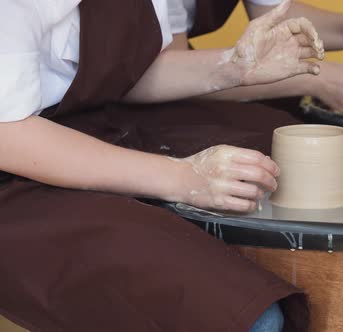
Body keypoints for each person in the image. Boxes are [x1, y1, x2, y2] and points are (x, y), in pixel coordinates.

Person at [0, 0, 324, 330]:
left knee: (279, 150)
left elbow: (128, 74)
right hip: (14, 171)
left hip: (86, 125)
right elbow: (7, 135)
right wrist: (181, 176)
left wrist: (232, 67)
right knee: (246, 318)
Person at [167, 0, 343, 113]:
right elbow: (178, 76)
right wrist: (314, 79)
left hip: (196, 75)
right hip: (150, 94)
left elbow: (279, 17)